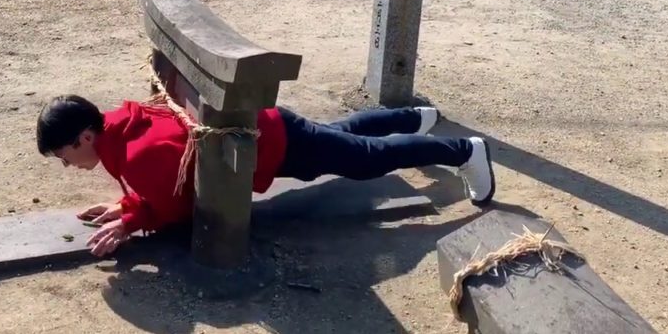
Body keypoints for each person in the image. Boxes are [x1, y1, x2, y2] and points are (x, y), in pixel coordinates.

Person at [36, 95, 495, 257]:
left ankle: (465, 151)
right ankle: (414, 117)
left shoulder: (135, 154)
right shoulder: (118, 127)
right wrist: (127, 207)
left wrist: (132, 220)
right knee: (343, 136)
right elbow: (167, 183)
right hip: (266, 134)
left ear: (83, 137)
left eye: (63, 155)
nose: (66, 165)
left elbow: (180, 207)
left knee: (367, 159)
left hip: (272, 143)